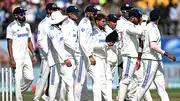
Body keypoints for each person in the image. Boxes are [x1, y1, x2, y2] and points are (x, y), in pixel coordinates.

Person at [132, 8, 176, 101]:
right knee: (145, 84)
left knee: (161, 86)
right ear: (159, 18)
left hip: (156, 60)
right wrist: (168, 54)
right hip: (150, 60)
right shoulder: (151, 28)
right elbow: (153, 46)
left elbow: (141, 44)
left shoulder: (148, 27)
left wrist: (139, 58)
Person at [6, 7, 37, 101]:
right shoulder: (11, 27)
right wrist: (11, 59)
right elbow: (9, 44)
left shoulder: (27, 25)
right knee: (18, 81)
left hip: (26, 56)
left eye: (24, 14)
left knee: (30, 78)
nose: (24, 16)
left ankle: (17, 93)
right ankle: (18, 99)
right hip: (16, 57)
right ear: (16, 16)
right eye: (22, 14)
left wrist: (34, 54)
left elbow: (29, 41)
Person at [117, 9, 145, 101]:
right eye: (138, 18)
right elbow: (141, 31)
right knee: (126, 79)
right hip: (129, 56)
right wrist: (144, 21)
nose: (139, 19)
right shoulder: (127, 26)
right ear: (132, 18)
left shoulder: (133, 25)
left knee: (140, 80)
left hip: (134, 56)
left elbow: (142, 33)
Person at [34, 3, 60, 101]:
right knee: (43, 77)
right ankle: (36, 98)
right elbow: (40, 40)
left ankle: (49, 96)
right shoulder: (43, 23)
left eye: (57, 9)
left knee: (54, 79)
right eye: (54, 10)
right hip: (47, 56)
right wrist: (48, 53)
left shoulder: (57, 21)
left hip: (56, 55)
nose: (56, 11)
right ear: (49, 11)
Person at [46, 11, 72, 101]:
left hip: (61, 60)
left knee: (68, 80)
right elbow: (56, 46)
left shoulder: (58, 29)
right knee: (54, 82)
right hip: (54, 61)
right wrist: (65, 58)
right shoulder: (51, 30)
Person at [77, 5, 100, 101]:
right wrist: (89, 56)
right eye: (94, 13)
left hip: (89, 56)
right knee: (80, 81)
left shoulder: (89, 23)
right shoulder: (83, 23)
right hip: (83, 56)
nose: (95, 15)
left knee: (98, 79)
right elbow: (82, 42)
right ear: (88, 13)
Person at [59, 5, 80, 101]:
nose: (77, 14)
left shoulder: (75, 24)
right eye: (75, 13)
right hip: (67, 56)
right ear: (69, 14)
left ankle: (62, 99)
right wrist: (76, 49)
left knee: (66, 81)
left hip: (73, 55)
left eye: (77, 12)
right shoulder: (66, 24)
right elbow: (65, 40)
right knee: (69, 81)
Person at [105, 14, 119, 101]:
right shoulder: (105, 30)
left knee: (110, 80)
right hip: (107, 58)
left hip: (114, 58)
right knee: (108, 80)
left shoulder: (115, 31)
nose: (115, 23)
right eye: (113, 22)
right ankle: (108, 99)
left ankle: (105, 98)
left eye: (116, 21)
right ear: (108, 22)